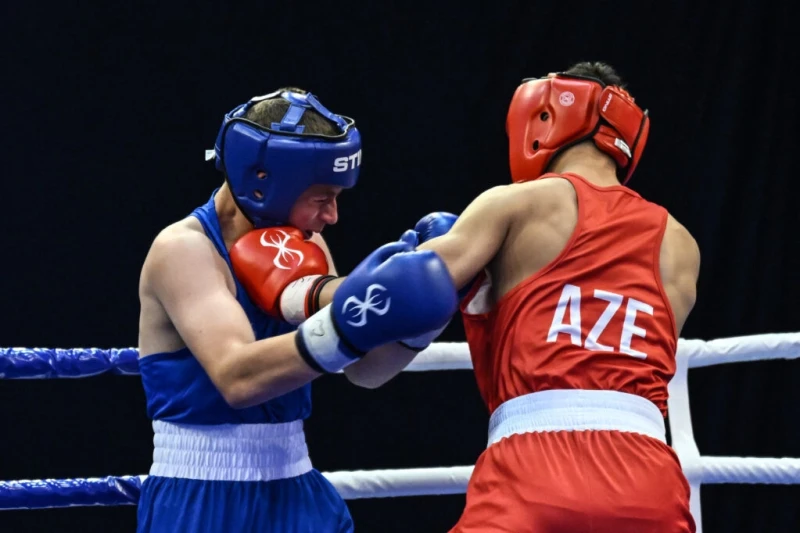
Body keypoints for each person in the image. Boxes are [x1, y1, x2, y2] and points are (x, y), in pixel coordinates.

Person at [135, 88, 457, 532]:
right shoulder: (185, 249)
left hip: (297, 485)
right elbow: (238, 377)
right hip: (204, 493)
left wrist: (423, 318)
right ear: (265, 181)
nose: (333, 216)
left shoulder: (306, 246)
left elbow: (366, 373)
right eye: (322, 197)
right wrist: (347, 324)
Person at [407, 62, 700, 532]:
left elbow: (401, 296)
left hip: (533, 466)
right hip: (648, 475)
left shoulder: (515, 204)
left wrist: (313, 297)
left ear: (544, 115)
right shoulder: (682, 245)